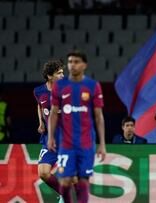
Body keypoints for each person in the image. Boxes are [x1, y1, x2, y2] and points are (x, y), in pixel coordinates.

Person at [47, 51, 106, 203]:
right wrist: (51, 137)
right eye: (70, 62)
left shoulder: (93, 86)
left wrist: (103, 144)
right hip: (66, 143)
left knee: (83, 181)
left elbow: (99, 116)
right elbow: (53, 113)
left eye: (76, 62)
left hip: (86, 143)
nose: (72, 65)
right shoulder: (59, 86)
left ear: (84, 65)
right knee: (65, 182)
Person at [34, 59, 65, 202]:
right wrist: (41, 122)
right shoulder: (39, 91)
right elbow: (40, 105)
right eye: (59, 73)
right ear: (49, 76)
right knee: (43, 173)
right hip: (49, 141)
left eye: (63, 72)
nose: (63, 76)